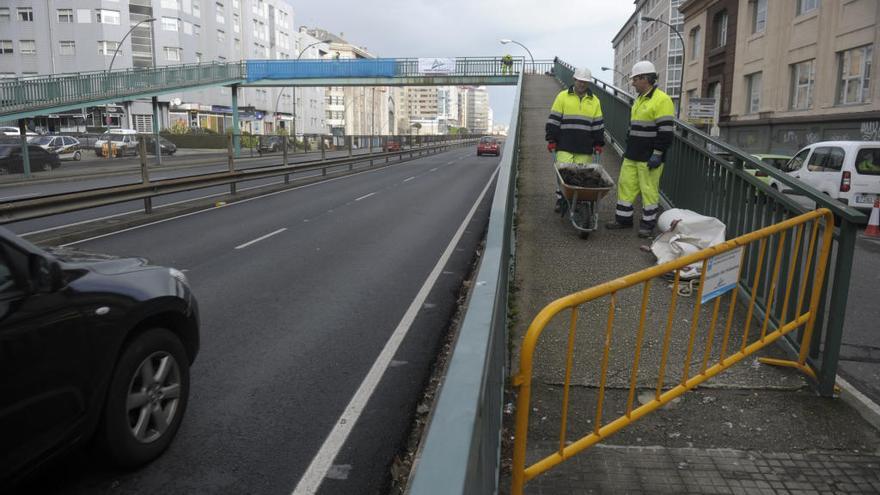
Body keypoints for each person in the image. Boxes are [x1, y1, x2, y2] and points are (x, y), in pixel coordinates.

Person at [606, 60, 675, 238]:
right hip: (633, 154)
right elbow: (633, 127)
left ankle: (647, 225)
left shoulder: (662, 100)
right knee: (625, 185)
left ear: (645, 78)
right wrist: (629, 148)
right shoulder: (639, 100)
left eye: (635, 79)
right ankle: (623, 219)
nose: (633, 83)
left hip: (649, 156)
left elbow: (666, 132)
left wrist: (658, 154)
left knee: (648, 190)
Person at [545, 67, 605, 212]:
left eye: (585, 81)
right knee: (563, 173)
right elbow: (554, 120)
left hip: (585, 146)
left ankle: (579, 200)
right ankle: (561, 199)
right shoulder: (562, 97)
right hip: (564, 143)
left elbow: (598, 125)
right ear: (574, 80)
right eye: (580, 81)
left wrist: (598, 143)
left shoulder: (594, 101)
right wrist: (551, 139)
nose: (582, 84)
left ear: (588, 83)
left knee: (583, 176)